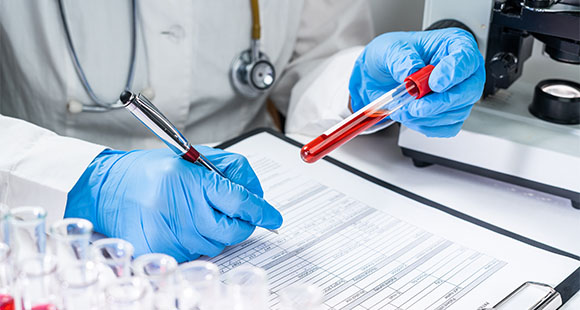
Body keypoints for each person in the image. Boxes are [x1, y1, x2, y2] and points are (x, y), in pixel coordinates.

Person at [0, 1, 484, 262]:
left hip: (246, 181)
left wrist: (357, 85)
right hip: (44, 208)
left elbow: (307, 62)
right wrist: (86, 182)